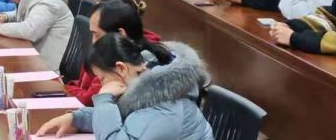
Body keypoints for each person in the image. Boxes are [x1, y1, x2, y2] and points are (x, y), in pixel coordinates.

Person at [36, 34, 213, 140]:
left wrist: (104, 101)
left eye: (103, 79)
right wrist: (77, 119)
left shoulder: (166, 106)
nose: (102, 86)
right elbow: (124, 117)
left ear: (121, 68)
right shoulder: (147, 85)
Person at [65, 0, 162, 106]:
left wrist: (66, 88)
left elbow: (91, 99)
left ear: (120, 34)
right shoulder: (112, 54)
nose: (93, 41)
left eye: (97, 35)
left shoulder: (122, 63)